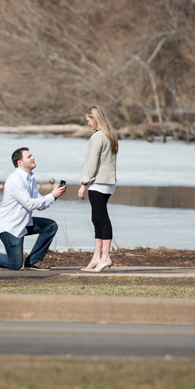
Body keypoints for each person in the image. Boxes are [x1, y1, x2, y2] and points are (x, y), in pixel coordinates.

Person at [0, 147, 67, 271]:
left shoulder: (31, 179)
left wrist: (54, 196)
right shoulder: (15, 179)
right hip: (10, 227)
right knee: (15, 264)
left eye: (32, 155)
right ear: (20, 163)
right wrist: (51, 195)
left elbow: (39, 205)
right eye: (29, 156)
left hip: (24, 222)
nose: (33, 158)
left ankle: (33, 261)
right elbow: (30, 204)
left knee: (50, 226)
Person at [77, 105, 119, 272]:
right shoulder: (110, 135)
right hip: (108, 183)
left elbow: (92, 163)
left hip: (98, 183)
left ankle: (105, 257)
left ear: (95, 119)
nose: (88, 124)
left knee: (102, 220)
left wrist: (83, 184)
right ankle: (96, 256)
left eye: (89, 120)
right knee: (97, 219)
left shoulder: (98, 137)